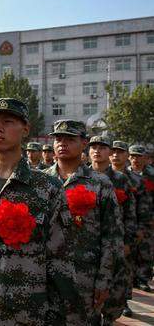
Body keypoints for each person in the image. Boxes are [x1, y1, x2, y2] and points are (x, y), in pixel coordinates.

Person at [0, 98, 79, 325]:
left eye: (8, 121)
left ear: (26, 129)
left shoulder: (48, 188)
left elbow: (61, 260)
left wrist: (57, 316)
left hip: (27, 314)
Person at [44, 120, 124, 324]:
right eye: (58, 139)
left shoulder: (100, 183)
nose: (62, 143)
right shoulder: (40, 181)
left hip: (84, 278)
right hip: (44, 278)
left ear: (84, 144)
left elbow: (112, 236)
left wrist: (104, 280)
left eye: (70, 139)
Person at [88, 136, 136, 323]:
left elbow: (131, 214)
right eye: (94, 147)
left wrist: (128, 242)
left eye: (102, 147)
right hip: (89, 243)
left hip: (116, 242)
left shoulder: (120, 180)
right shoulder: (81, 176)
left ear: (109, 151)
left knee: (115, 290)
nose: (97, 151)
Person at [111, 141, 152, 316]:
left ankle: (123, 300)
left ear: (125, 155)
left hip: (125, 229)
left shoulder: (135, 180)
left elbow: (142, 206)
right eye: (113, 151)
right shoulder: (92, 174)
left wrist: (141, 229)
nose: (115, 155)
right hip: (99, 229)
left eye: (120, 152)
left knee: (125, 267)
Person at [127, 144, 154, 293]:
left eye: (139, 156)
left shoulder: (151, 175)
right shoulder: (124, 175)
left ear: (145, 158)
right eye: (133, 156)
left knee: (146, 249)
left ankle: (142, 279)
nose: (135, 159)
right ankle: (130, 280)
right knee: (130, 250)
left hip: (148, 218)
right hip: (130, 217)